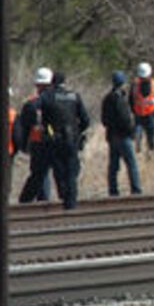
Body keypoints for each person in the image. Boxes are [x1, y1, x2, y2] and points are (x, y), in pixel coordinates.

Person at [38, 71, 91, 210]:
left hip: (55, 140)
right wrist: (77, 131)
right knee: (71, 173)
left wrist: (48, 131)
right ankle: (71, 204)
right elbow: (86, 120)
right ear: (64, 82)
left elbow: (41, 117)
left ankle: (64, 197)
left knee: (59, 171)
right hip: (72, 140)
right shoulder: (74, 96)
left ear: (52, 82)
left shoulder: (47, 96)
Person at [14, 67, 54, 203]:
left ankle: (35, 200)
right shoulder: (57, 100)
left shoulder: (31, 103)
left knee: (39, 172)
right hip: (53, 141)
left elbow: (24, 126)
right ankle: (44, 200)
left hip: (37, 142)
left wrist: (24, 144)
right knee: (46, 173)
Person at [101, 70, 142, 196]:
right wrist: (132, 132)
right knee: (131, 164)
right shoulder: (120, 99)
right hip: (123, 136)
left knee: (113, 166)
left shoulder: (107, 98)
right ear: (122, 83)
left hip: (112, 136)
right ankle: (136, 189)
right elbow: (125, 119)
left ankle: (113, 190)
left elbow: (104, 120)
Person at [131, 61, 154, 154]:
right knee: (137, 136)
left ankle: (151, 155)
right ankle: (138, 153)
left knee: (151, 139)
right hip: (139, 115)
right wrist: (134, 111)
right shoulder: (135, 85)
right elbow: (131, 99)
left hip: (151, 115)